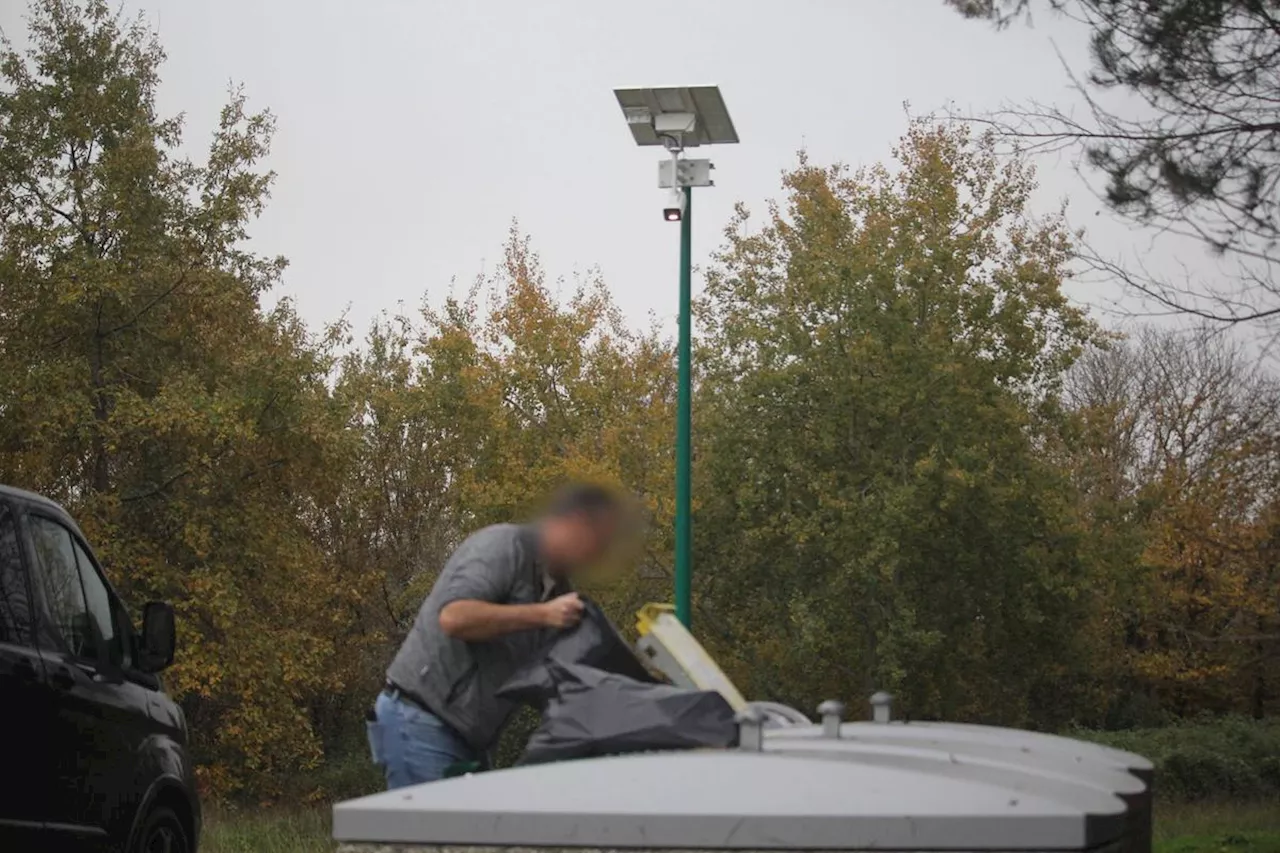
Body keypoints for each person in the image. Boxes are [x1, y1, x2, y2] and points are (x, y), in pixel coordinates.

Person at [371, 483, 629, 788]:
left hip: (473, 740)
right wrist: (543, 614)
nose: (598, 555)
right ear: (573, 522)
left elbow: (555, 677)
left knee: (468, 836)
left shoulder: (558, 588)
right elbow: (454, 617)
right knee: (432, 836)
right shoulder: (503, 546)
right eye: (597, 542)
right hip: (421, 721)